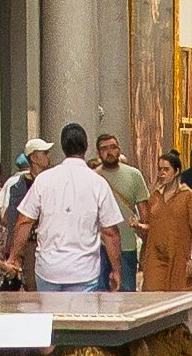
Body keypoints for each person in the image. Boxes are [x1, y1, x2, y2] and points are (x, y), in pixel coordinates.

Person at [16, 121, 125, 293]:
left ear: (63, 147)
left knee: (50, 318)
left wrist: (14, 257)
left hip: (48, 268)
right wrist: (117, 270)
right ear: (86, 147)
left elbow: (24, 221)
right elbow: (110, 232)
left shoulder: (44, 180)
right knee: (80, 319)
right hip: (84, 270)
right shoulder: (97, 183)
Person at [141, 148, 192, 306]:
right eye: (160, 169)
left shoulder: (188, 196)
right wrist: (139, 226)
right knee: (152, 300)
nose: (162, 173)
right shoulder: (155, 196)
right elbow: (152, 224)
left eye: (166, 169)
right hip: (155, 256)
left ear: (176, 171)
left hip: (179, 255)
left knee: (177, 302)